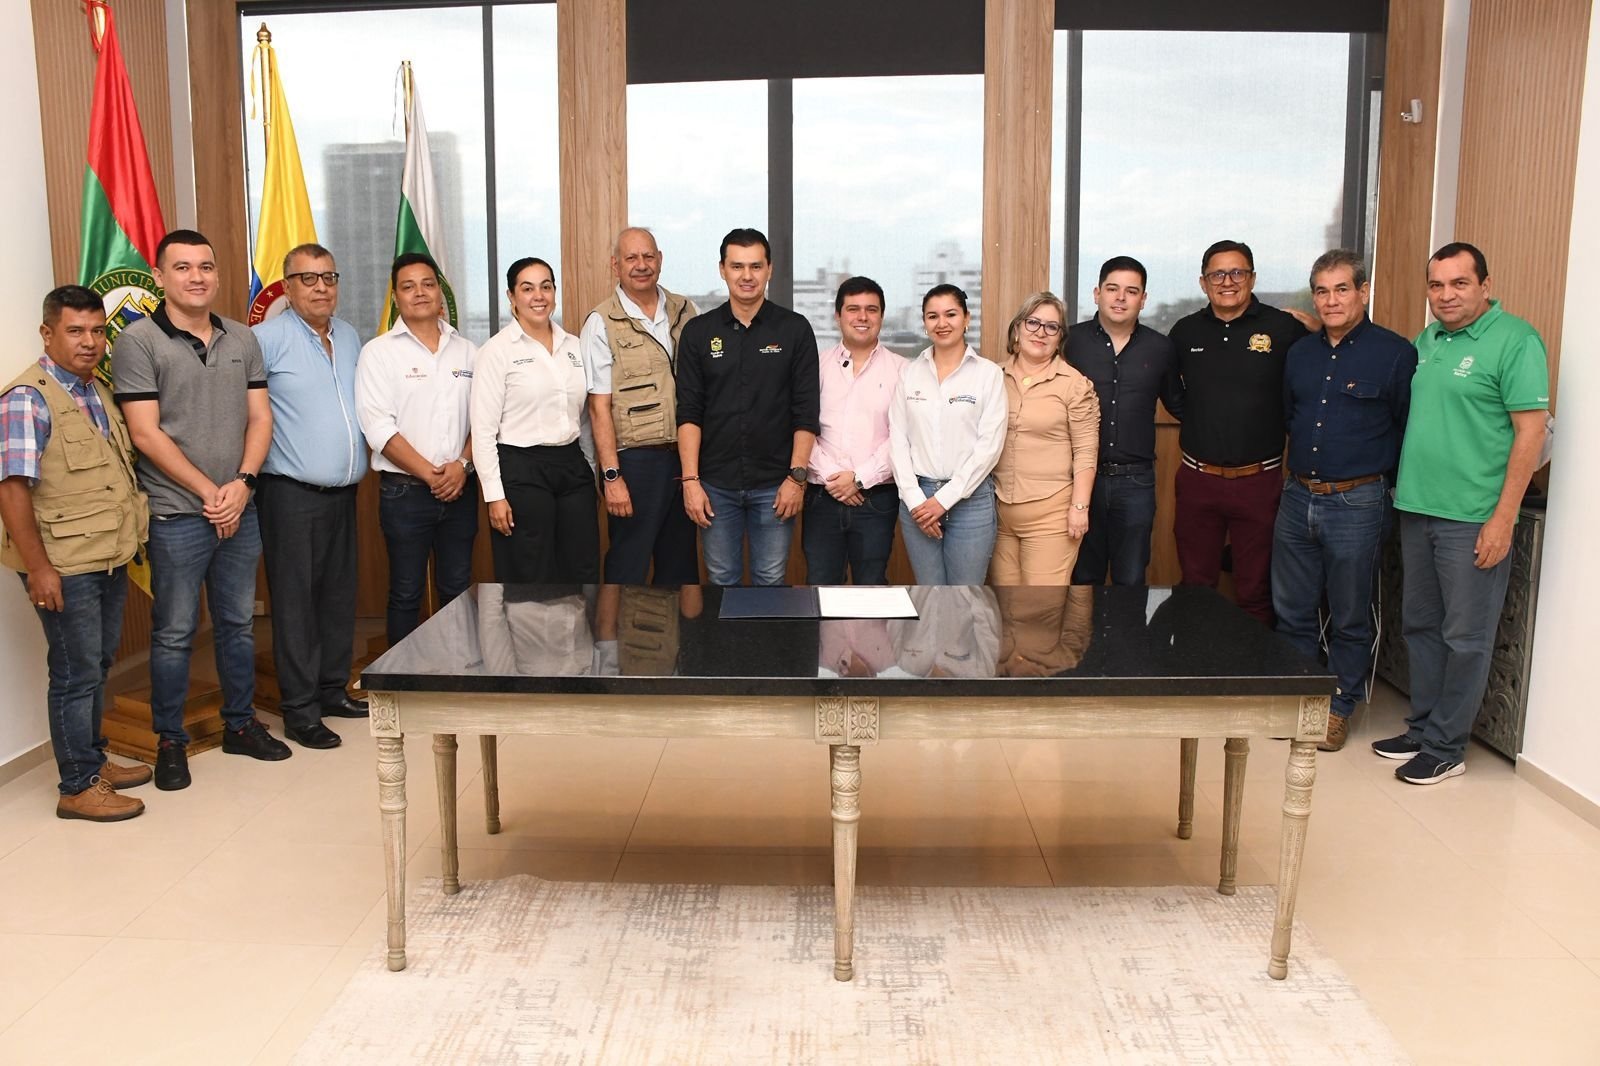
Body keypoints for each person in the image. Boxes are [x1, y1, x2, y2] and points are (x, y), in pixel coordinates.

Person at [112, 229, 289, 791]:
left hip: (239, 506)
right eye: (183, 267)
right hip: (177, 514)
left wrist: (240, 483)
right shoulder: (138, 341)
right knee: (175, 631)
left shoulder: (242, 337)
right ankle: (171, 741)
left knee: (238, 625)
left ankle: (240, 726)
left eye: (206, 267)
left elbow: (260, 418)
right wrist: (210, 493)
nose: (197, 277)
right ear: (160, 277)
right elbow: (145, 432)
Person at [1373, 242, 1548, 784]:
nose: (1446, 295)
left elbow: (1532, 432)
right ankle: (1423, 727)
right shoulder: (1429, 340)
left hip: (1473, 515)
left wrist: (1503, 517)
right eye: (1437, 285)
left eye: (1459, 283)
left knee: (1465, 635)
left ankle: (1448, 746)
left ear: (1485, 286)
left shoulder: (1515, 340)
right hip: (1419, 506)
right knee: (1421, 625)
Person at [0, 285, 151, 819]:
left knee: (95, 663)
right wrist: (40, 570)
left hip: (104, 556)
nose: (90, 342)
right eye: (75, 331)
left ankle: (92, 759)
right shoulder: (28, 398)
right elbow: (12, 490)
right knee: (73, 671)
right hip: (63, 565)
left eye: (97, 331)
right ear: (48, 334)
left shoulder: (93, 391)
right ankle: (77, 786)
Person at [1272, 250, 1416, 753]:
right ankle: (1298, 702)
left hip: (1357, 500)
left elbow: (1405, 426)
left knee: (1351, 613)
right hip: (1297, 495)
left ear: (1364, 291)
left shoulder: (1396, 354)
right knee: (1292, 610)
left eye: (1341, 289)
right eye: (1322, 291)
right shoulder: (1301, 354)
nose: (1331, 300)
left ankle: (1338, 707)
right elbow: (1291, 416)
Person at [252, 244, 369, 752]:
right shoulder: (263, 340)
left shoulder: (349, 337)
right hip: (289, 493)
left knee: (338, 596)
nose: (321, 287)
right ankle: (299, 710)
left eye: (329, 277)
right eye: (308, 278)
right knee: (296, 603)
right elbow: (247, 416)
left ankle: (330, 690)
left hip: (344, 493)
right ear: (286, 286)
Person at [1167, 240, 1311, 624]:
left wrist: (1314, 326)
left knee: (1256, 589)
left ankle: (1253, 681)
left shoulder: (1283, 329)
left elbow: (1310, 378)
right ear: (1203, 282)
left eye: (1237, 272)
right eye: (1217, 273)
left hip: (1259, 481)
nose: (1227, 281)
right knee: (1196, 585)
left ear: (1252, 278)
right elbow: (1172, 393)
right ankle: (1197, 673)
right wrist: (1202, 418)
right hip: (1198, 480)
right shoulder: (1185, 331)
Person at [675, 228, 820, 586]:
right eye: (737, 266)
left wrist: (796, 479)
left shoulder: (795, 330)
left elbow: (806, 412)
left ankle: (766, 646)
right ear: (722, 269)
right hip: (714, 485)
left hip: (776, 483)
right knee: (721, 579)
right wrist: (691, 482)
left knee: (770, 579)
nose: (747, 276)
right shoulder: (697, 332)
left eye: (756, 266)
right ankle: (725, 646)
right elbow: (689, 412)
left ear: (769, 269)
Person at [356, 252, 478, 646]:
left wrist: (461, 465)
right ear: (395, 297)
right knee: (406, 591)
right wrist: (431, 475)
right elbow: (378, 427)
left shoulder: (468, 351)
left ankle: (458, 676)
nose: (420, 293)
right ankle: (404, 685)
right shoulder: (378, 353)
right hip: (406, 492)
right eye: (408, 287)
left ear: (440, 293)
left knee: (458, 589)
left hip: (461, 488)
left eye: (428, 284)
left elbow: (485, 418)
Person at [580, 227, 699, 585]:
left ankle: (682, 643)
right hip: (635, 462)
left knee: (680, 565)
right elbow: (598, 408)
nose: (641, 265)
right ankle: (615, 642)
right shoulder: (601, 322)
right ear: (616, 265)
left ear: (660, 260)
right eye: (631, 258)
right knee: (629, 563)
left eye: (648, 257)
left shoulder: (685, 310)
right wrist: (611, 476)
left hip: (685, 458)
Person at [472, 257, 598, 584]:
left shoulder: (574, 346)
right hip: (521, 468)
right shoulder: (496, 351)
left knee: (582, 567)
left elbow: (583, 417)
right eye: (527, 288)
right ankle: (531, 638)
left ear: (555, 292)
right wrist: (494, 496)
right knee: (531, 571)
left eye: (546, 286)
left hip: (572, 466)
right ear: (512, 297)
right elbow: (483, 432)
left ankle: (579, 637)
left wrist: (591, 469)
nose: (538, 296)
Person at [1066, 256, 1184, 586]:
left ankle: (1125, 640)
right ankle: (1083, 641)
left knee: (1131, 579)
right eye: (1112, 289)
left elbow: (1179, 403)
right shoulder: (1069, 342)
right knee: (1082, 578)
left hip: (1136, 483)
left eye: (1131, 291)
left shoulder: (1160, 348)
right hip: (1079, 480)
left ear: (1143, 299)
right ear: (1096, 293)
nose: (1121, 298)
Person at [888, 284, 1005, 585]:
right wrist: (916, 500)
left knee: (965, 598)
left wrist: (945, 499)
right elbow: (898, 439)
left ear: (966, 318)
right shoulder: (910, 373)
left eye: (951, 314)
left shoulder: (988, 374)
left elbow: (989, 447)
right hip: (919, 499)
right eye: (932, 316)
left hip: (970, 500)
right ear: (925, 323)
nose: (942, 323)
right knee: (930, 595)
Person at [991, 292, 1099, 585]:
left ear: (1060, 337)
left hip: (1051, 516)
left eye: (1051, 327)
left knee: (1039, 612)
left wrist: (1080, 507)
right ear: (1017, 328)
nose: (1040, 332)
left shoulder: (1074, 385)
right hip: (998, 515)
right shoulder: (991, 378)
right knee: (1005, 608)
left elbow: (1086, 452)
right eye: (1033, 322)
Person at [804, 276, 904, 585]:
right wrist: (836, 478)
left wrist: (859, 478)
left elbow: (903, 437)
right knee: (820, 586)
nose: (862, 317)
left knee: (872, 589)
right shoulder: (814, 367)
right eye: (853, 309)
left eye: (871, 309)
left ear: (882, 316)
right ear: (838, 316)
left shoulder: (903, 370)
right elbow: (801, 427)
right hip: (822, 496)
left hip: (877, 499)